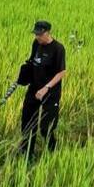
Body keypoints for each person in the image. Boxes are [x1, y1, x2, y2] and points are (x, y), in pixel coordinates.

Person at [20, 20, 67, 159]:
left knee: (46, 128)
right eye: (36, 34)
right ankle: (27, 154)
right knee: (28, 122)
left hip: (50, 92)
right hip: (34, 88)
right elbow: (32, 61)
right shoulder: (36, 44)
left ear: (47, 32)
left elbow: (62, 72)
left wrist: (46, 88)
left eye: (40, 34)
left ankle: (53, 152)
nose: (37, 37)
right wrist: (23, 74)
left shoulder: (58, 48)